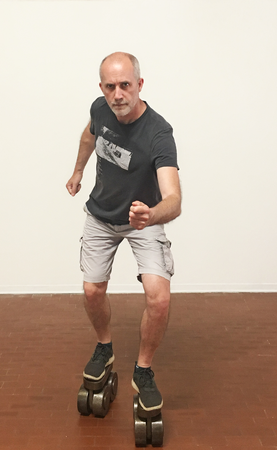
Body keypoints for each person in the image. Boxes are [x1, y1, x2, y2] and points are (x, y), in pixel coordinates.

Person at [66, 52, 181, 412]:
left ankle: (143, 370)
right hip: (101, 215)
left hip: (142, 219)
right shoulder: (100, 109)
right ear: (102, 88)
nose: (118, 94)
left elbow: (174, 199)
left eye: (125, 85)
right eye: (110, 86)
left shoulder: (158, 133)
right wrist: (77, 172)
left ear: (140, 85)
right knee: (91, 290)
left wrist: (152, 213)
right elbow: (89, 136)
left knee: (159, 299)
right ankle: (104, 346)